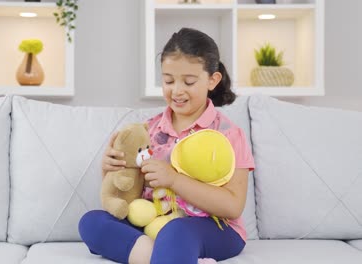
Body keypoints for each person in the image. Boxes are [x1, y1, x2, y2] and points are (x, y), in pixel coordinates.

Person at [79, 27, 255, 264]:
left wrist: (174, 180)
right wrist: (111, 171)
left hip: (214, 229)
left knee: (177, 231)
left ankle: (170, 250)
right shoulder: (148, 129)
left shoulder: (228, 133)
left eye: (189, 82)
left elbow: (233, 206)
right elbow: (131, 196)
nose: (177, 90)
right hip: (153, 224)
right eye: (168, 80)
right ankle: (169, 255)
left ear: (212, 80)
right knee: (92, 222)